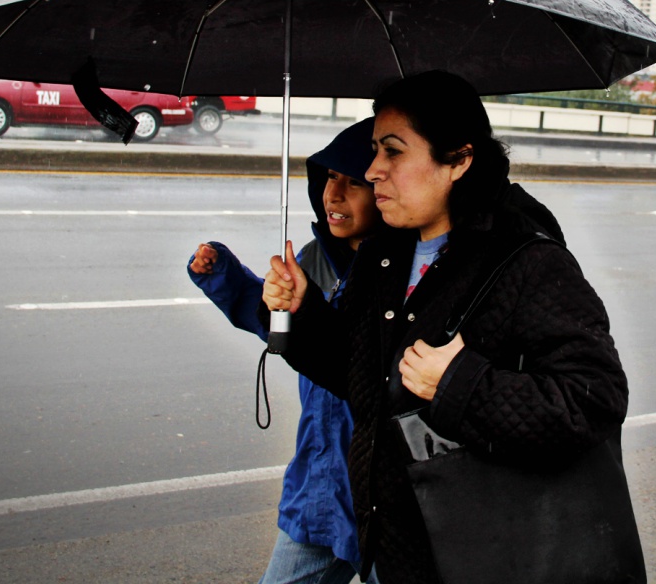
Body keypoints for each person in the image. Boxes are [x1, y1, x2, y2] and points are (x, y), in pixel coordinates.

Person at [262, 70, 631, 584]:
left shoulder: (527, 261)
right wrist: (303, 313)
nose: (372, 171)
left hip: (481, 551)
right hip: (393, 546)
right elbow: (359, 378)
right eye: (374, 151)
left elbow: (594, 400)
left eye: (393, 152)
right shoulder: (384, 254)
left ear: (458, 159)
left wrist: (460, 384)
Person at [189, 117, 380, 584]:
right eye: (330, 177)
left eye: (355, 183)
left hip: (382, 491)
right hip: (319, 483)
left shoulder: (402, 274)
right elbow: (275, 322)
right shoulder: (313, 258)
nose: (334, 195)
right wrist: (227, 277)